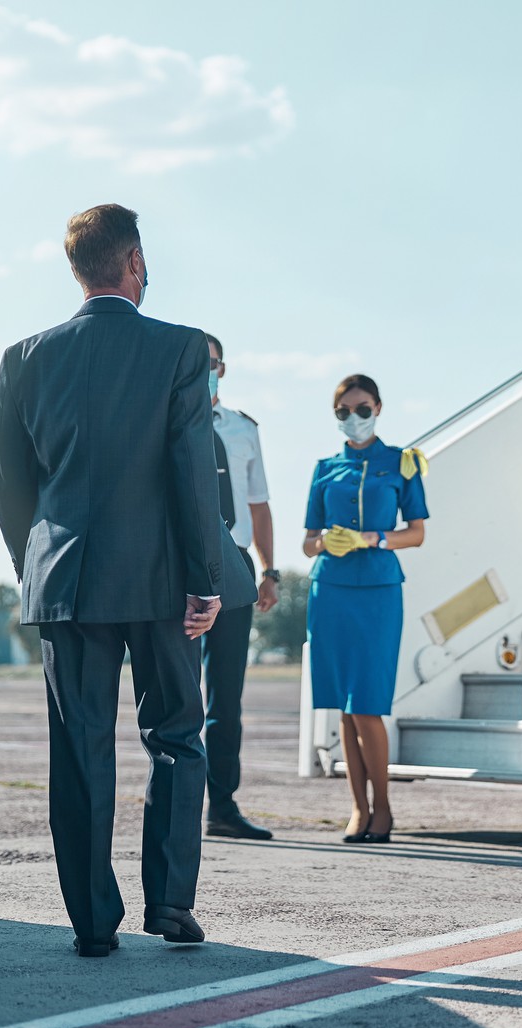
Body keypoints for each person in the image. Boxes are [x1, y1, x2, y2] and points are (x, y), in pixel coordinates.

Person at [0, 203, 228, 957]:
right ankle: (171, 904)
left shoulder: (24, 358)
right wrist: (206, 577)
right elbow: (193, 473)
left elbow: (8, 483)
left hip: (68, 580)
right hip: (161, 581)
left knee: (81, 749)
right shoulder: (182, 350)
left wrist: (40, 567)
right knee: (178, 737)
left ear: (76, 268)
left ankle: (93, 921)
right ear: (134, 262)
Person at [302, 374, 429, 844]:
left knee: (369, 703)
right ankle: (358, 808)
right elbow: (308, 542)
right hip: (330, 591)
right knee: (344, 707)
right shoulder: (324, 468)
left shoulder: (402, 463)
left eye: (361, 408)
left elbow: (415, 532)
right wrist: (325, 543)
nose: (352, 418)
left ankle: (385, 808)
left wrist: (371, 538)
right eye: (343, 412)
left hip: (378, 591)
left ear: (378, 407)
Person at [203, 333, 282, 841]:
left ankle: (222, 805)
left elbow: (258, 504)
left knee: (226, 695)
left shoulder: (243, 429)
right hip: (181, 562)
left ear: (223, 369)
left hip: (234, 561)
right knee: (176, 692)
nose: (203, 370)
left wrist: (270, 569)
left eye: (210, 363)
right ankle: (175, 799)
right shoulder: (166, 420)